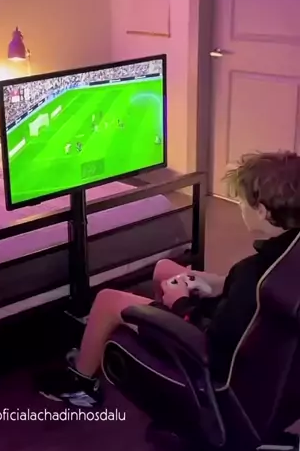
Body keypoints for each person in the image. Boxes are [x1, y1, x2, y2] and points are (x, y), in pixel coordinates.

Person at [37, 151, 300, 408]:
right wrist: (217, 285)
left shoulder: (253, 275)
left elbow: (213, 343)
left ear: (262, 211)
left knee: (108, 300)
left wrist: (180, 304)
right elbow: (247, 291)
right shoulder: (284, 254)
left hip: (215, 365)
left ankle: (82, 385)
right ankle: (154, 355)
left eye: (242, 201)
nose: (240, 206)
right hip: (265, 353)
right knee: (165, 269)